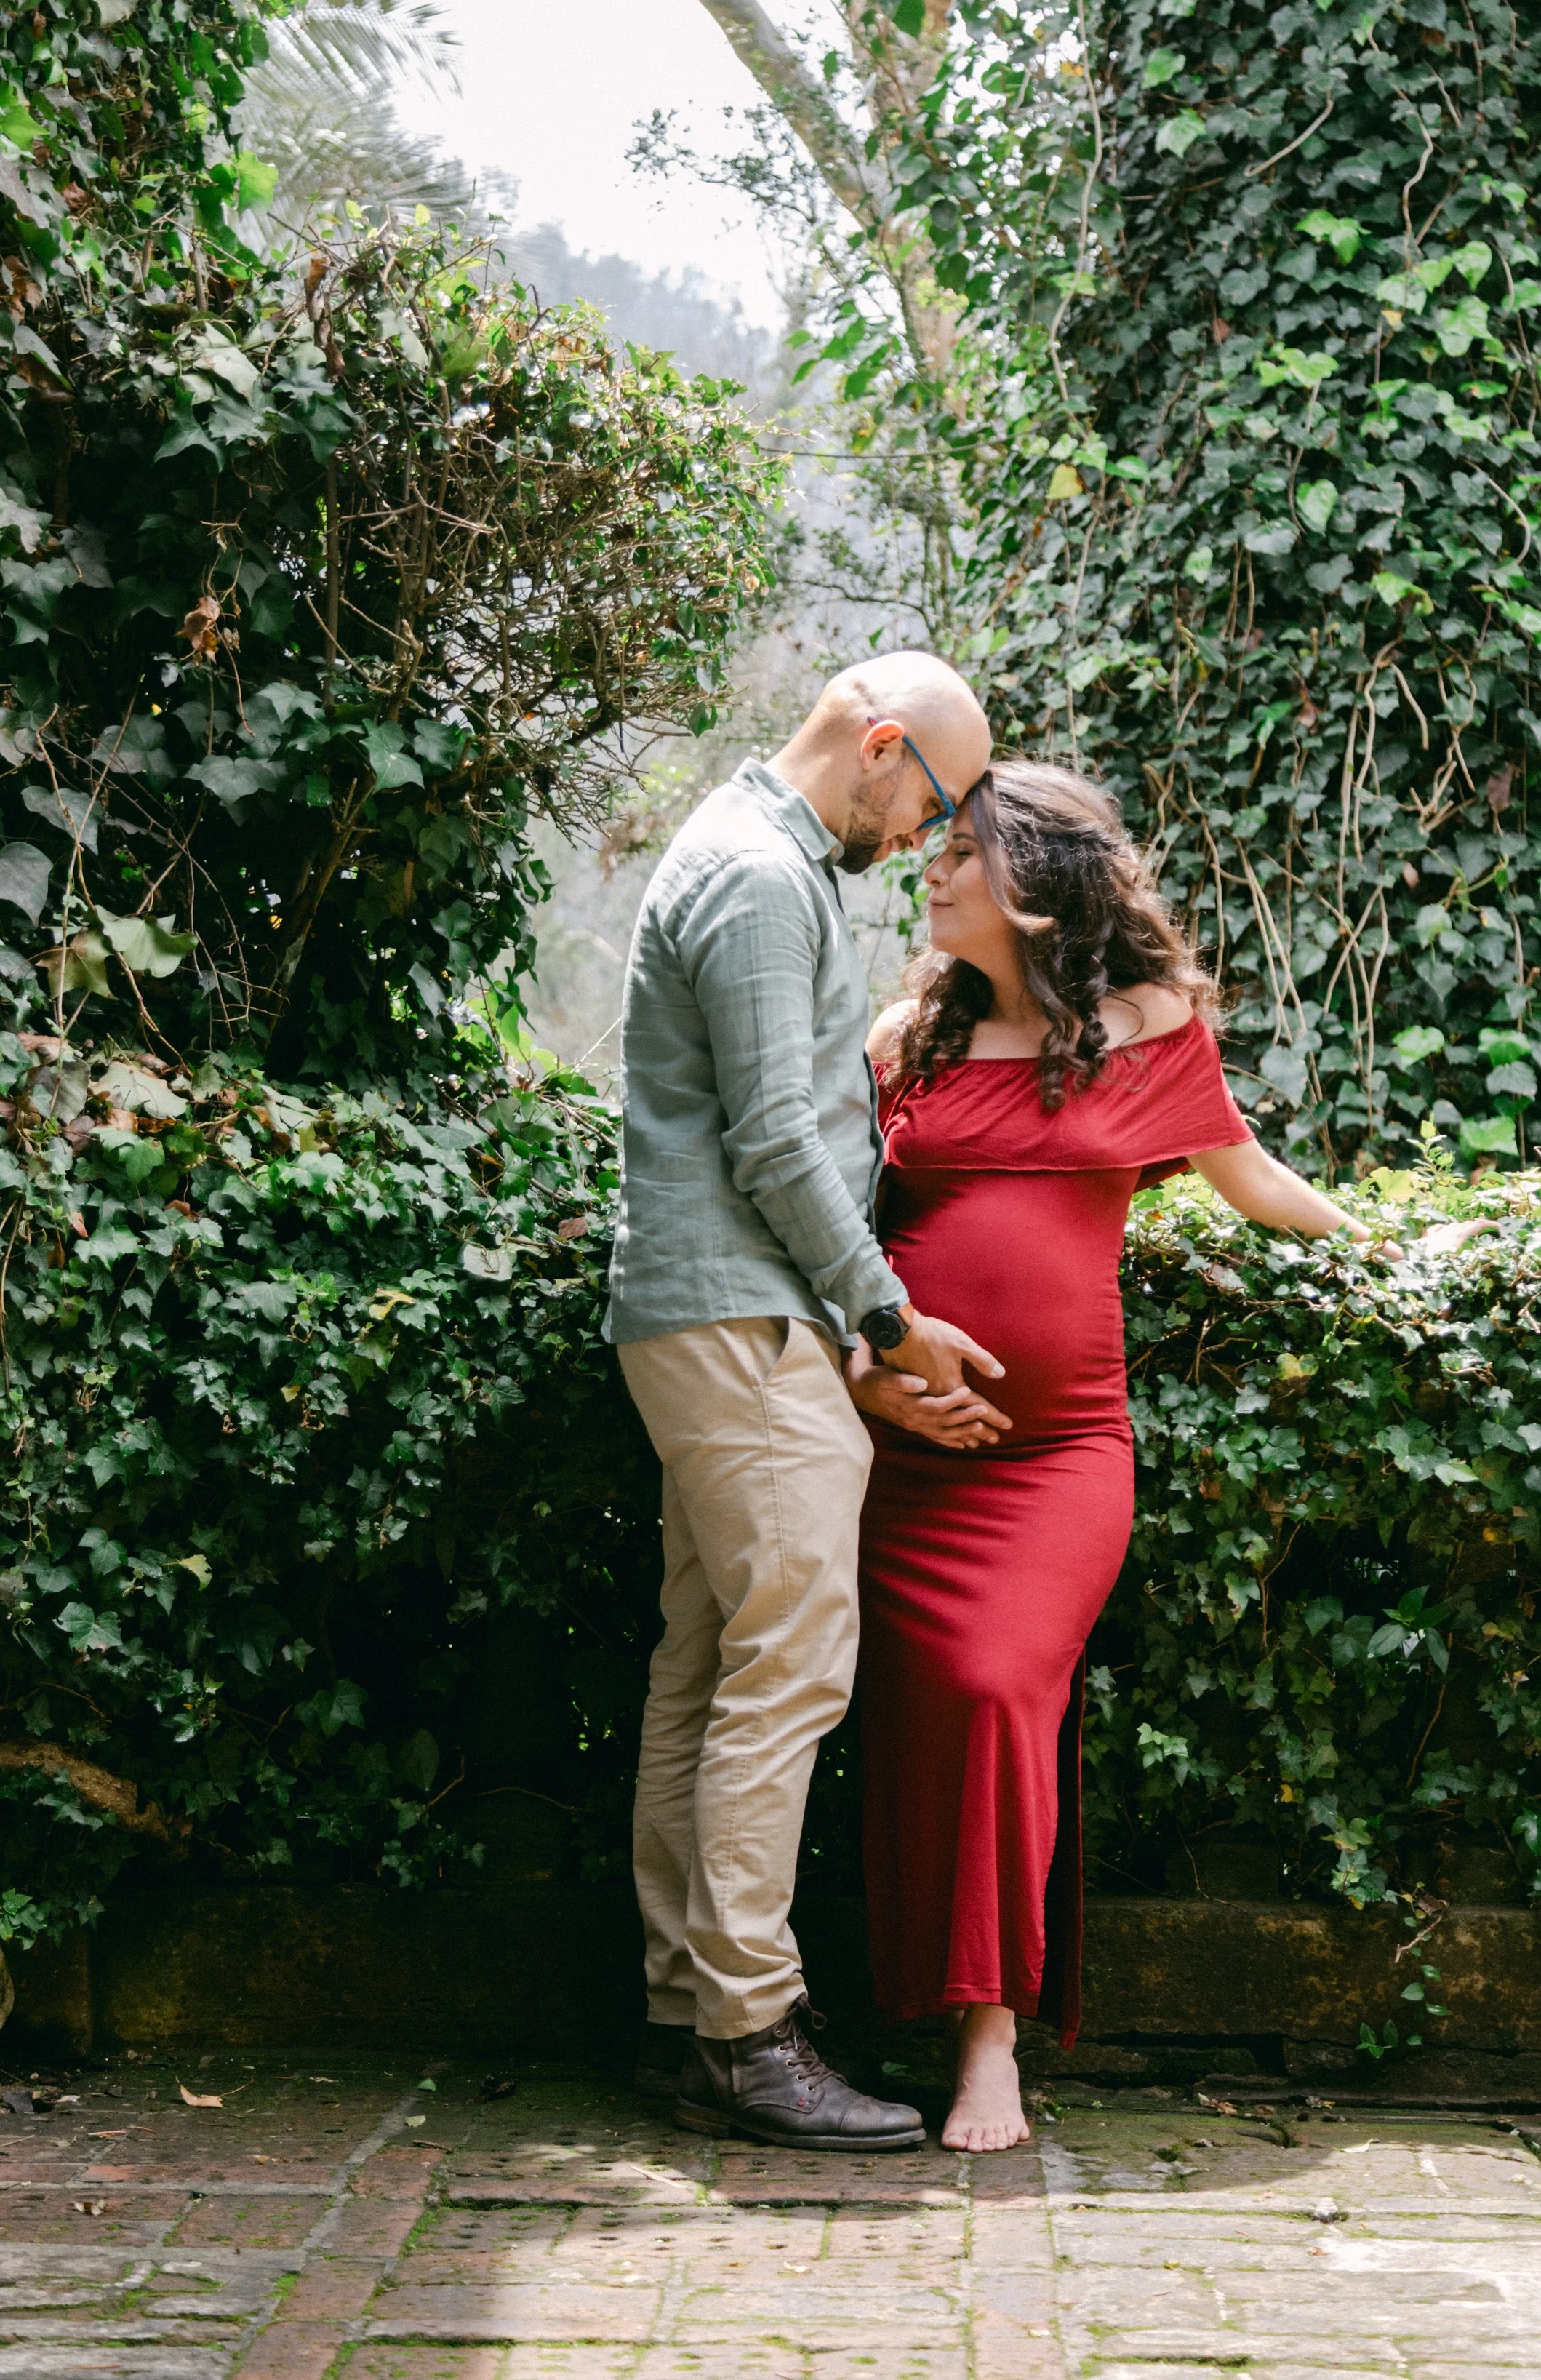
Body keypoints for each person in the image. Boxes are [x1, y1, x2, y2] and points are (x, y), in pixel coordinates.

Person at [849, 763, 1455, 2154]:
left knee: (1003, 1682)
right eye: (933, 849)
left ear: (1040, 880)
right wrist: (878, 1381)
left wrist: (1403, 1258)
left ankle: (989, 2035)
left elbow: (1248, 1177)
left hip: (1061, 1457)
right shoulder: (903, 1042)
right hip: (907, 1454)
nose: (930, 871)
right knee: (919, 1707)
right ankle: (914, 2000)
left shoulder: (1148, 1026)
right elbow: (833, 1227)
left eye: (960, 851)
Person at [607, 652, 1001, 2152]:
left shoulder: (735, 853)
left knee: (708, 1663)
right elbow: (778, 1137)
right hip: (747, 1321)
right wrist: (886, 1320)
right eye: (935, 804)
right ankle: (744, 2033)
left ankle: (682, 2012)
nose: (923, 840)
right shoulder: (764, 880)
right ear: (881, 744)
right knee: (787, 1669)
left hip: (704, 1311)